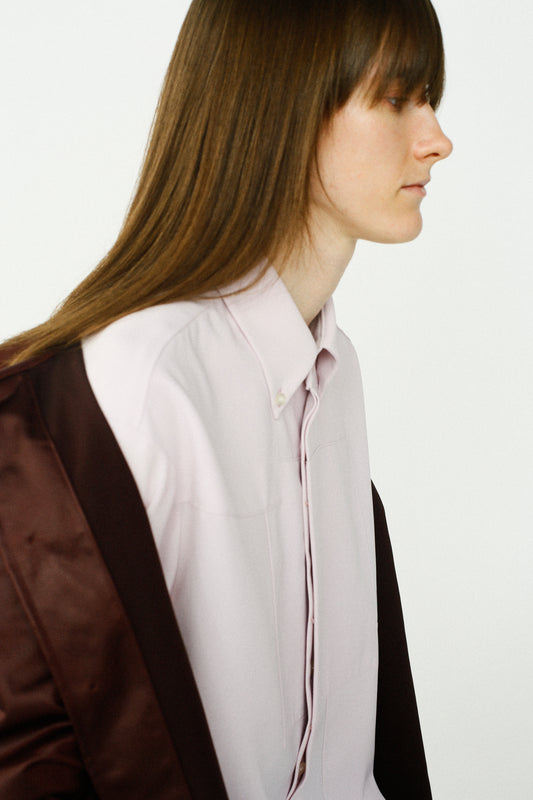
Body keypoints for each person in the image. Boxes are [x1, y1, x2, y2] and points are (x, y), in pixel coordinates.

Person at [0, 0, 452, 797]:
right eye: (394, 99)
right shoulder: (144, 381)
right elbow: (47, 725)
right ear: (282, 106)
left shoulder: (336, 369)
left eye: (429, 99)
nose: (436, 139)